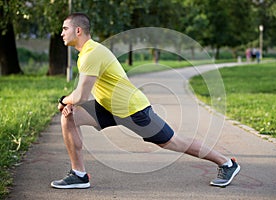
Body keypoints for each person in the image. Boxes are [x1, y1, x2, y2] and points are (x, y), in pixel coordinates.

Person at [51, 13, 240, 189]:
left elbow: (81, 96)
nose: (61, 33)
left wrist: (63, 100)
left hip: (132, 109)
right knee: (70, 117)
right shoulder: (86, 53)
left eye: (64, 28)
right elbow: (80, 95)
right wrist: (69, 104)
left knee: (173, 142)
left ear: (78, 30)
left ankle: (226, 163)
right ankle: (79, 174)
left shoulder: (91, 53)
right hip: (108, 106)